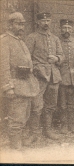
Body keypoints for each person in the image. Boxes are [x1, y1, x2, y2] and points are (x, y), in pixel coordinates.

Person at [0, 12, 39, 149]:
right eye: (18, 24)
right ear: (10, 25)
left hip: (26, 84)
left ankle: (20, 139)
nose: (21, 27)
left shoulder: (20, 40)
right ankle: (15, 145)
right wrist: (7, 87)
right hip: (15, 84)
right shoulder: (4, 41)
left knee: (25, 114)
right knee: (16, 116)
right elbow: (3, 66)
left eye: (23, 24)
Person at [25, 12, 63, 140]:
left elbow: (62, 57)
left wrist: (56, 58)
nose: (46, 23)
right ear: (38, 23)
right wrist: (37, 68)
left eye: (48, 21)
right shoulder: (32, 37)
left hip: (54, 77)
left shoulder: (55, 38)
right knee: (36, 106)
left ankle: (48, 130)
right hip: (39, 77)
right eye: (43, 21)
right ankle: (34, 133)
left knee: (51, 105)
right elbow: (27, 58)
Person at [58, 19, 74, 135]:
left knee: (72, 104)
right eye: (64, 28)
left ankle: (72, 125)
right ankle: (64, 125)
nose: (66, 30)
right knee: (62, 104)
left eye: (69, 28)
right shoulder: (57, 41)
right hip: (62, 78)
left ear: (72, 30)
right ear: (60, 29)